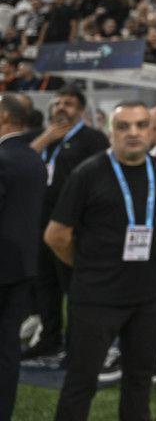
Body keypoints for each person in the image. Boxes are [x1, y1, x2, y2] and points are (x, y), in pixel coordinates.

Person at [44, 101, 156, 421]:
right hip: (97, 298)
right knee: (81, 382)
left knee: (140, 380)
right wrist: (86, 265)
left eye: (141, 125)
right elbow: (56, 235)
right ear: (110, 132)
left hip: (148, 297)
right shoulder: (88, 173)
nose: (133, 133)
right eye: (123, 126)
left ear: (151, 131)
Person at [24, 86, 110, 362]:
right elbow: (19, 167)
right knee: (45, 285)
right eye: (57, 103)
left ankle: (77, 344)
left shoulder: (93, 139)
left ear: (81, 110)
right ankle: (49, 339)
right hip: (39, 224)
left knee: (74, 288)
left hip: (73, 227)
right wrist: (45, 139)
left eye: (68, 103)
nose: (61, 107)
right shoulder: (41, 137)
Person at [0, 94, 46, 421]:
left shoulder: (4, 157)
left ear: (4, 116)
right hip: (23, 266)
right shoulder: (33, 158)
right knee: (7, 347)